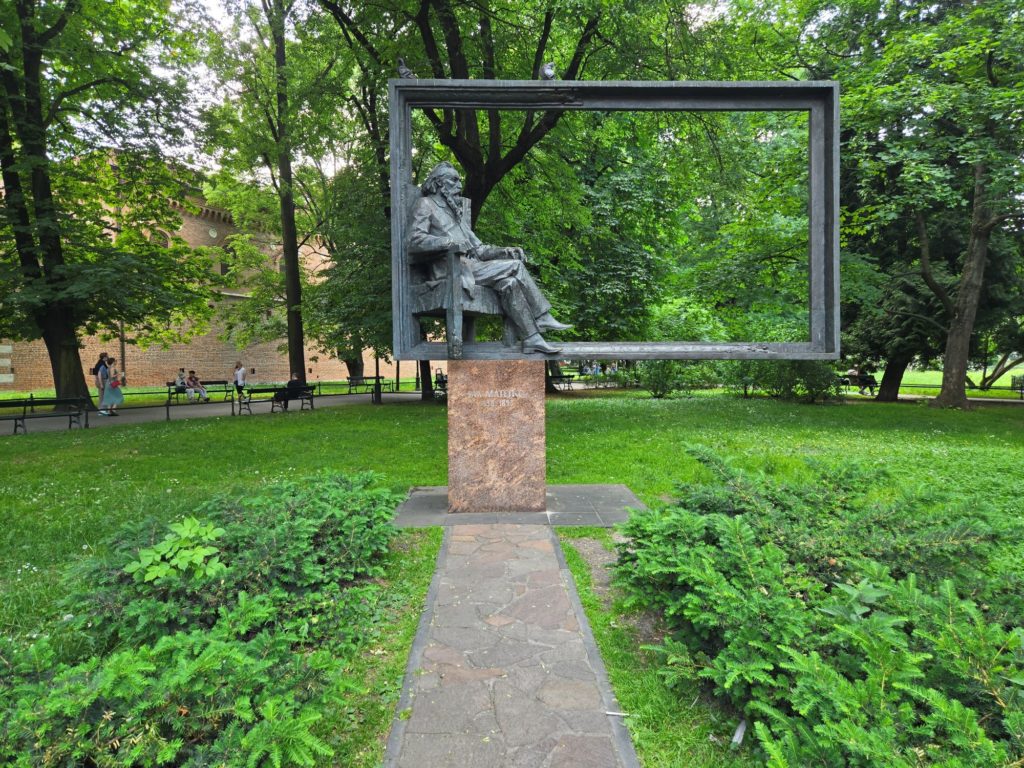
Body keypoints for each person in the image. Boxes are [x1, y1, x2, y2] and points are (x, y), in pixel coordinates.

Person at [407, 162, 571, 355]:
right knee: (516, 267)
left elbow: (479, 249)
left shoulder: (455, 216)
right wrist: (449, 242)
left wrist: (505, 251)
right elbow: (414, 240)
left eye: (460, 180)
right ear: (439, 183)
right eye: (454, 180)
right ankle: (541, 315)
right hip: (450, 270)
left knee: (509, 283)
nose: (459, 185)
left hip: (471, 268)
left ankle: (532, 338)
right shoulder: (425, 204)